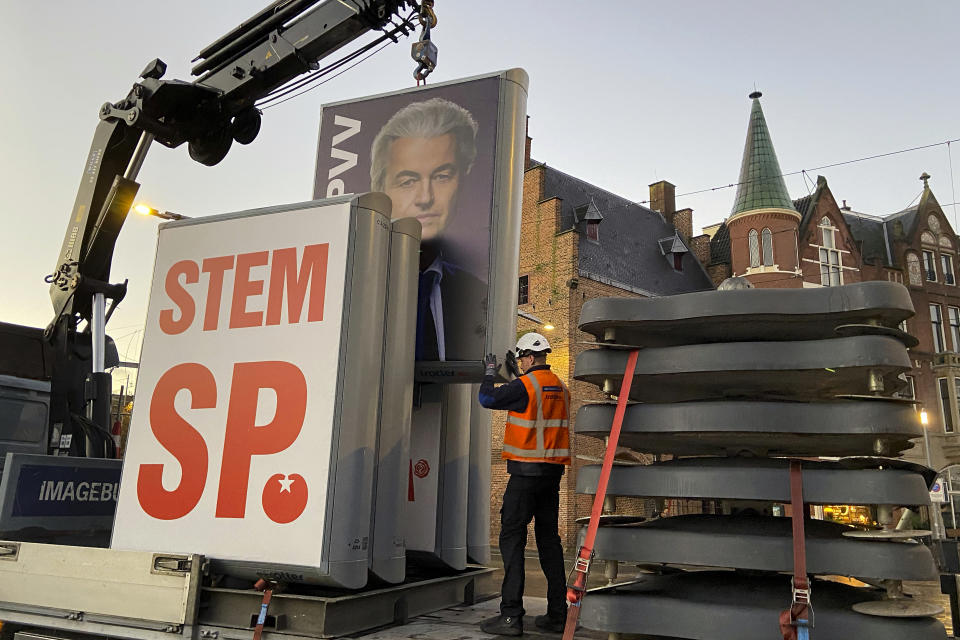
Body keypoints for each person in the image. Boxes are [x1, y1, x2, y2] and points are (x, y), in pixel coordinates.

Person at [370, 97, 486, 362]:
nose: (425, 197)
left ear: (462, 182)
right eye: (408, 181)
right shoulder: (355, 288)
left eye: (442, 176)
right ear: (380, 189)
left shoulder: (478, 295)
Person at [477, 332, 571, 636]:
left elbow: (487, 398)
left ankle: (510, 617)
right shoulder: (560, 387)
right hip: (552, 476)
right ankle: (558, 615)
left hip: (525, 475)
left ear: (528, 357)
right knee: (549, 542)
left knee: (512, 539)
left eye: (521, 358)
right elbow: (536, 400)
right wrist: (517, 375)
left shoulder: (525, 386)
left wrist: (490, 372)